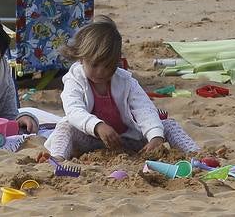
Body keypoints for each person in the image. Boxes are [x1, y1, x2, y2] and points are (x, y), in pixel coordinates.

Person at [43, 16, 198, 160]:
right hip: (89, 140)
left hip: (126, 140)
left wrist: (155, 137)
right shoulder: (74, 79)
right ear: (82, 58)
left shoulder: (125, 80)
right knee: (65, 126)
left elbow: (145, 109)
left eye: (108, 66)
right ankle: (58, 159)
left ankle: (196, 153)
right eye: (94, 65)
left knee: (167, 125)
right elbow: (74, 111)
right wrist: (98, 126)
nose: (100, 72)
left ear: (117, 62)